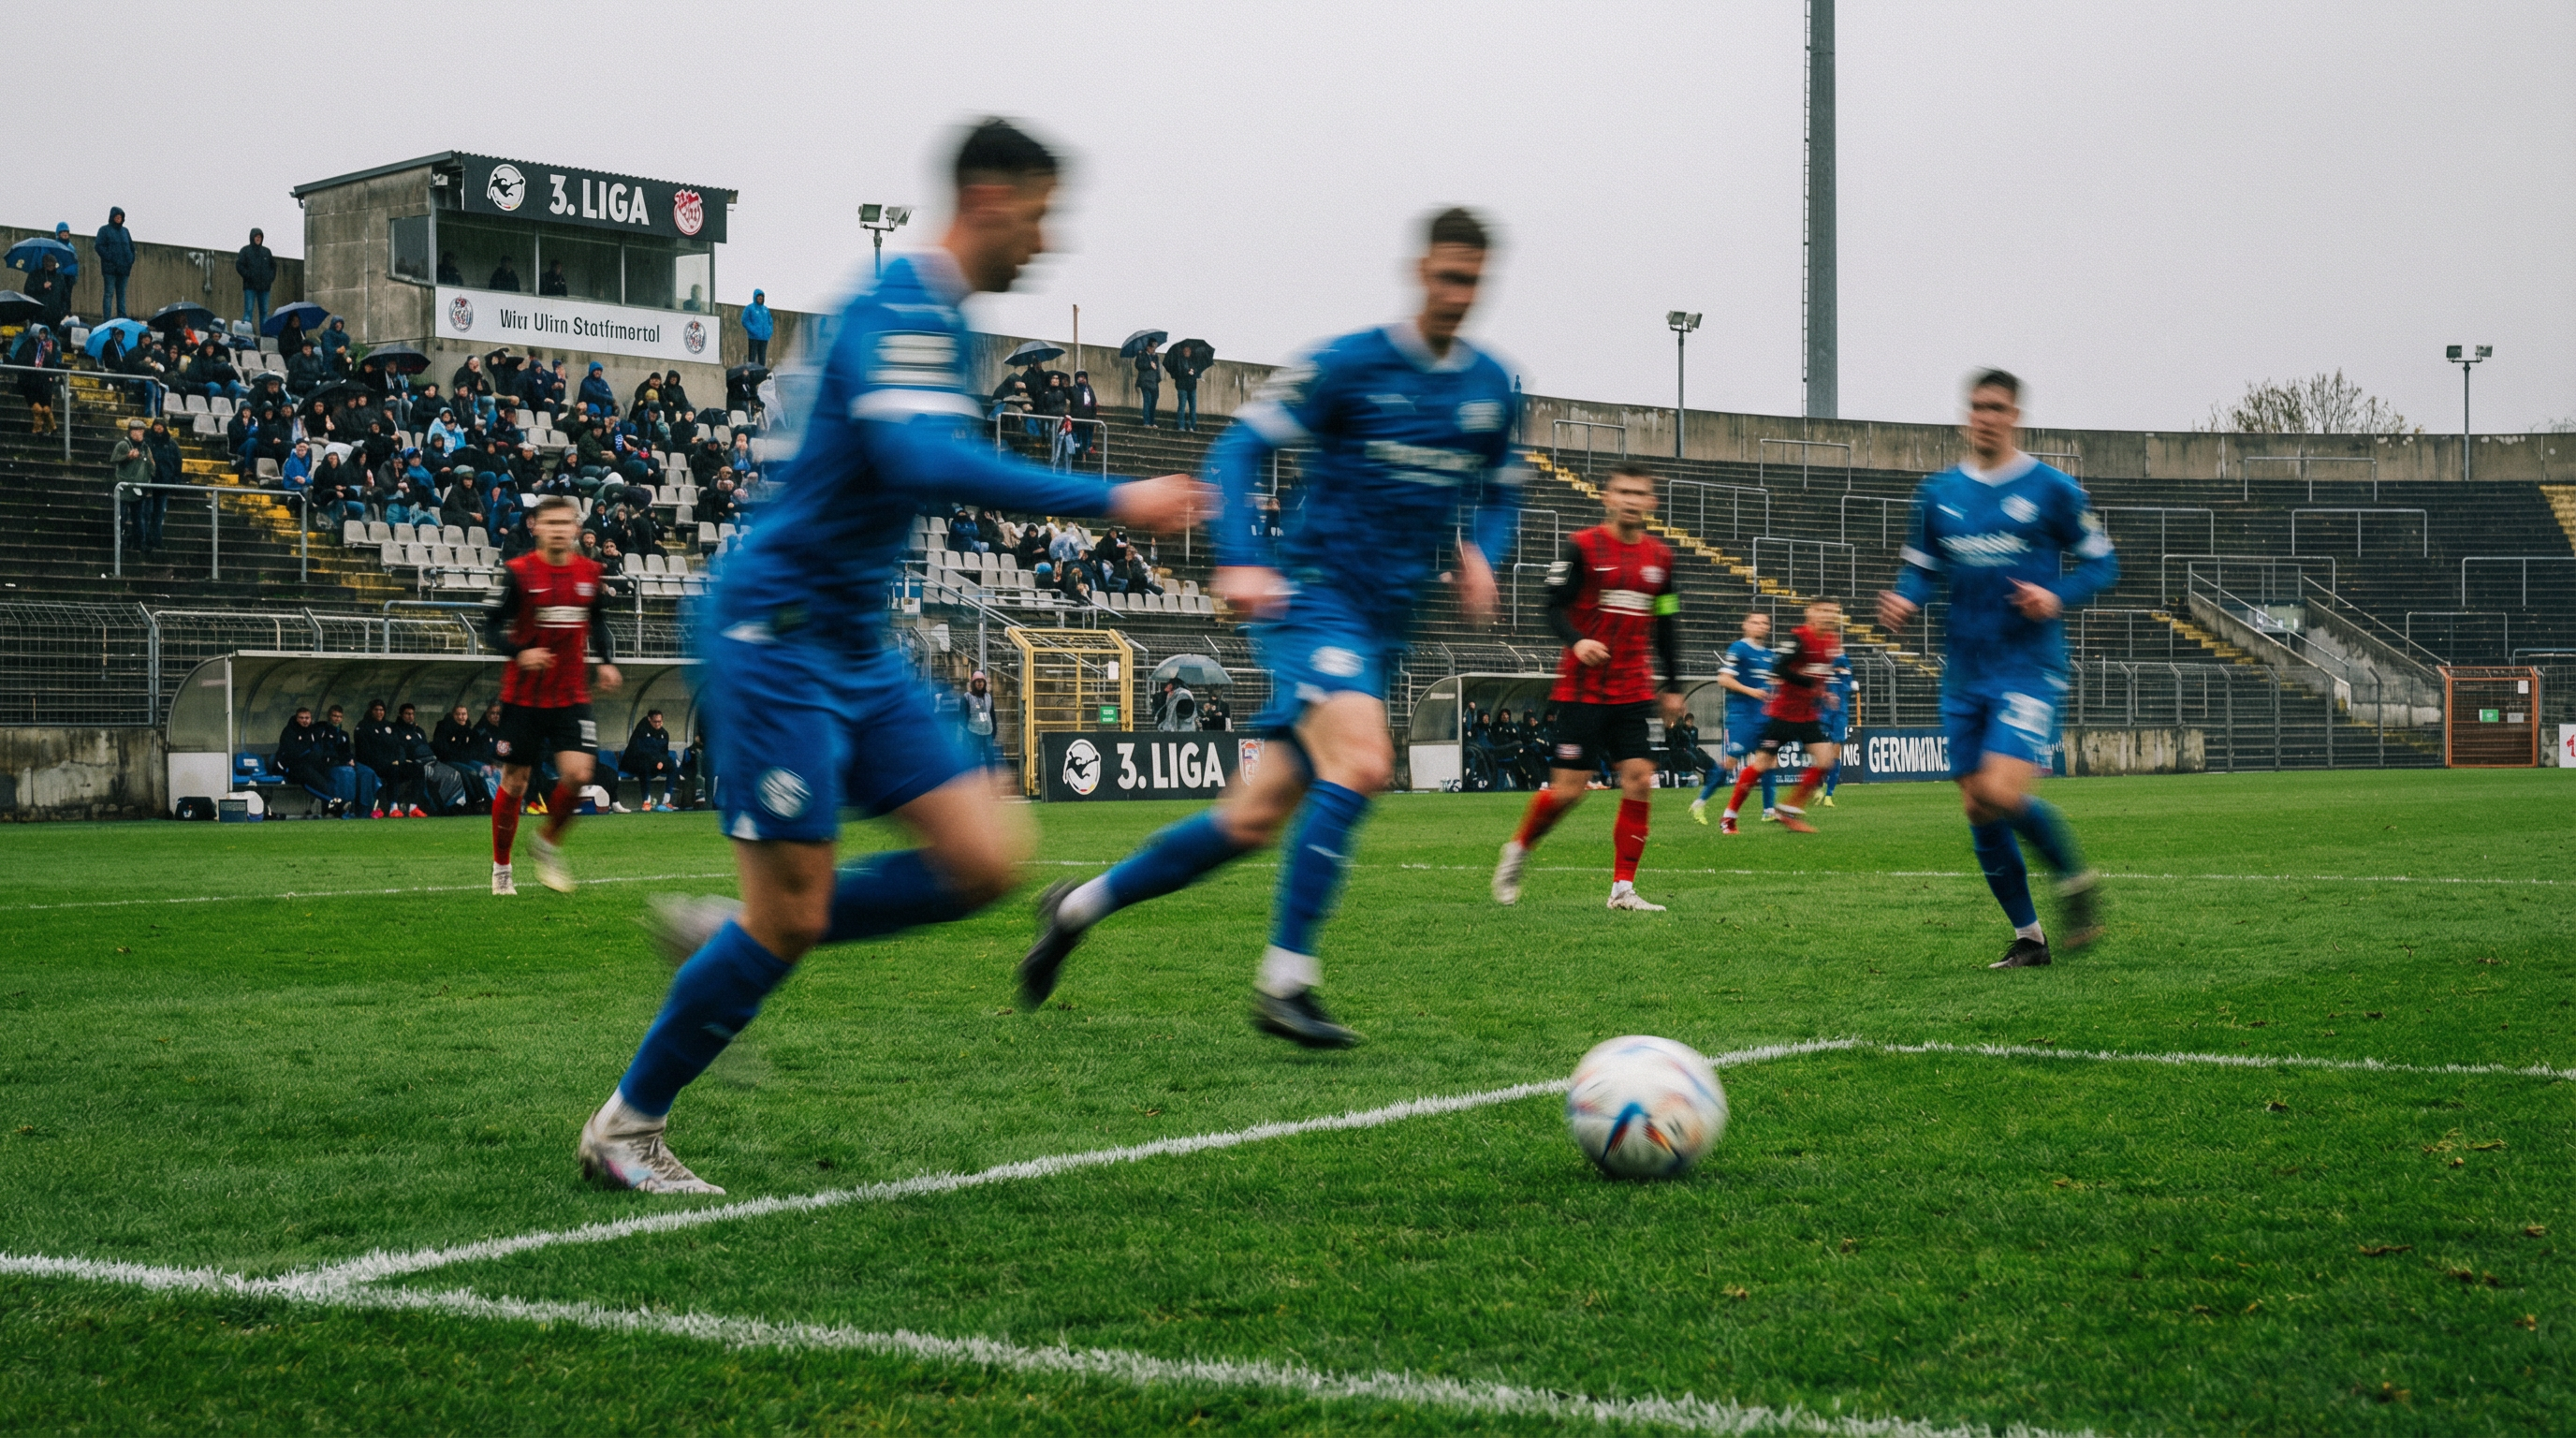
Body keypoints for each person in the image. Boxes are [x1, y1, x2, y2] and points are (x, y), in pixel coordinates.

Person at [574, 118, 1201, 1196]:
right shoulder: (902, 306)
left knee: (986, 857)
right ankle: (627, 1126)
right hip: (775, 637)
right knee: (798, 912)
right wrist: (1110, 503)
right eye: (1042, 215)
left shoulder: (941, 323)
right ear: (993, 200)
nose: (1046, 242)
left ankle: (737, 934)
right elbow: (918, 457)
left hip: (851, 646)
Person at [1022, 205, 1517, 1049]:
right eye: (1445, 276)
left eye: (1472, 280)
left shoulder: (1491, 387)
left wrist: (1486, 553)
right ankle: (1285, 983)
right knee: (1363, 762)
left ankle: (1074, 907)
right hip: (1315, 598)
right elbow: (1239, 451)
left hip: (1387, 620)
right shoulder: (1349, 366)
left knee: (1248, 822)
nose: (1457, 294)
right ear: (1420, 270)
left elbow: (1504, 489)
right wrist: (1244, 555)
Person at [1877, 369, 2115, 968]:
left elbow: (2102, 564)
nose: (1985, 416)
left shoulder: (2051, 489)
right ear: (1967, 413)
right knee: (1977, 806)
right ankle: (2030, 938)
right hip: (1963, 670)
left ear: (2014, 416)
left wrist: (2056, 596)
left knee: (1999, 790)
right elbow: (1922, 568)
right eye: (1977, 406)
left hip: (2027, 667)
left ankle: (2075, 882)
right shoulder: (1937, 494)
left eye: (1997, 407)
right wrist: (1908, 597)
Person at [1491, 462, 1684, 910]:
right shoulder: (1581, 547)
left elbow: (1668, 621)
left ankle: (1623, 889)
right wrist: (1577, 641)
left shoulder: (1662, 559)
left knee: (1639, 779)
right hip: (1583, 689)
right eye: (1624, 492)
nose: (1632, 500)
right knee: (1568, 791)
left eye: (1640, 493)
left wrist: (1672, 684)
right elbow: (1552, 608)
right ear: (1607, 497)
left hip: (1634, 689)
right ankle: (1519, 848)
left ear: (1651, 502)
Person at [485, 495, 623, 896]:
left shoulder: (590, 572)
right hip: (523, 696)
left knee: (580, 774)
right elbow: (490, 627)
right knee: (515, 782)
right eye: (552, 523)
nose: (560, 529)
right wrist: (519, 651)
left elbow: (596, 619)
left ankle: (545, 842)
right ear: (537, 527)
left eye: (567, 522)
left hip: (570, 694)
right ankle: (502, 867)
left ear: (577, 529)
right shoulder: (517, 573)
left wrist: (606, 661)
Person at [1716, 597, 1847, 835]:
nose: (1829, 616)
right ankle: (1729, 817)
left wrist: (1824, 692)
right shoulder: (1797, 638)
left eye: (1834, 612)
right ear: (1811, 613)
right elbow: (1779, 669)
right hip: (1782, 715)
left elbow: (1819, 675)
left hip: (1807, 715)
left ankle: (1789, 807)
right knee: (1762, 765)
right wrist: (1810, 684)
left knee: (1826, 759)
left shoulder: (1831, 641)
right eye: (1824, 611)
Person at [1692, 611, 1779, 827]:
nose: (1761, 626)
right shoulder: (1739, 649)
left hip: (1764, 717)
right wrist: (1752, 691)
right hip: (1742, 717)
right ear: (1745, 626)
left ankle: (1768, 810)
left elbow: (1773, 685)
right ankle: (1700, 802)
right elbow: (1723, 679)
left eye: (1764, 623)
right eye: (1755, 622)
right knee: (1730, 763)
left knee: (1770, 762)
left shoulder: (1770, 655)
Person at [433, 702, 497, 810]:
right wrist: (463, 757)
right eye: (458, 714)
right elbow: (443, 750)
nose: (461, 717)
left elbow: (473, 750)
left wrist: (488, 764)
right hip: (448, 761)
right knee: (470, 772)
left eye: (464, 714)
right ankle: (476, 800)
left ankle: (491, 799)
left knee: (484, 770)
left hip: (465, 760)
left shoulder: (468, 730)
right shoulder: (444, 728)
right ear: (453, 715)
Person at [621, 710, 680, 811]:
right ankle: (646, 801)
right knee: (644, 767)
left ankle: (666, 801)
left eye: (660, 721)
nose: (658, 724)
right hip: (634, 762)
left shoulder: (664, 733)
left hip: (654, 762)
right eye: (655, 721)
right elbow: (641, 751)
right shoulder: (641, 731)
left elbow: (664, 752)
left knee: (672, 766)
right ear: (649, 720)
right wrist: (657, 761)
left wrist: (661, 762)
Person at [111, 420, 154, 550]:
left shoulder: (146, 447)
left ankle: (139, 543)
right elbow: (114, 459)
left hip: (139, 489)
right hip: (124, 489)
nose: (139, 433)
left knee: (138, 518)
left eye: (141, 430)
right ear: (130, 431)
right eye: (136, 430)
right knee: (121, 517)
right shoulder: (124, 444)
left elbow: (151, 465)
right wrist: (127, 456)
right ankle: (120, 543)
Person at [94, 207, 135, 320]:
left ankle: (122, 317)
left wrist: (130, 260)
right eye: (117, 217)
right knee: (109, 294)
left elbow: (132, 248)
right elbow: (98, 246)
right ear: (112, 217)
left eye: (120, 217)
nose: (118, 219)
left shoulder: (125, 231)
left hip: (124, 270)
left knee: (121, 295)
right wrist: (110, 258)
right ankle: (107, 319)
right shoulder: (104, 230)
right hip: (110, 270)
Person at [236, 228, 277, 331]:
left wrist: (270, 279)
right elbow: (239, 265)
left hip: (264, 288)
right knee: (248, 311)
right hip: (250, 286)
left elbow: (273, 266)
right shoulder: (245, 250)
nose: (258, 239)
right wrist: (248, 275)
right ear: (252, 237)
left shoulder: (266, 252)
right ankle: (245, 336)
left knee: (264, 313)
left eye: (260, 237)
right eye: (256, 236)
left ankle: (265, 335)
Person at [960, 671, 997, 769]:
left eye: (981, 681)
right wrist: (968, 731)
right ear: (973, 683)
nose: (979, 683)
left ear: (984, 683)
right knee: (974, 759)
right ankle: (974, 782)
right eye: (977, 681)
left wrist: (994, 731)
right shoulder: (967, 697)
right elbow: (963, 716)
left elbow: (992, 714)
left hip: (987, 732)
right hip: (973, 733)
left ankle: (993, 783)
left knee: (990, 760)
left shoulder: (988, 697)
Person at [1166, 344, 1203, 432]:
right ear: (1183, 351)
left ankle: (1192, 426)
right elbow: (1176, 373)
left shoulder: (1194, 360)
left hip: (1192, 387)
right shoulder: (1178, 360)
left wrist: (1194, 371)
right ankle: (1181, 426)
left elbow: (1198, 373)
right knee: (1182, 407)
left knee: (1193, 408)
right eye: (1186, 350)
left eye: (1189, 350)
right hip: (1182, 386)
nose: (1187, 352)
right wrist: (1187, 372)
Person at [1133, 336, 1162, 427]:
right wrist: (1149, 365)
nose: (1153, 350)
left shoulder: (1155, 357)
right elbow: (1138, 365)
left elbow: (1157, 369)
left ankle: (1152, 421)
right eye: (1152, 348)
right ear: (1148, 347)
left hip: (1154, 383)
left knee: (1153, 403)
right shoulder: (1141, 354)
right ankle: (1146, 422)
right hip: (1145, 382)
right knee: (1147, 401)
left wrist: (1158, 378)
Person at [740, 289, 773, 366]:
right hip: (753, 338)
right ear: (755, 298)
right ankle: (751, 375)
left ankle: (761, 375)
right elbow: (744, 321)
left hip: (764, 338)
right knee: (752, 359)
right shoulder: (750, 308)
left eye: (761, 298)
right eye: (758, 298)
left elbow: (770, 322)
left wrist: (769, 332)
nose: (760, 299)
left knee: (762, 360)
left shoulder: (766, 309)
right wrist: (753, 330)